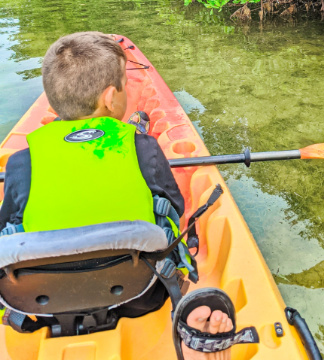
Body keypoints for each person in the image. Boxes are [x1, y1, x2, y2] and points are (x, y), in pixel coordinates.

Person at [0, 31, 187, 316]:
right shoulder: (144, 148)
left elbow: (10, 222)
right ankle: (139, 124)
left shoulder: (21, 163)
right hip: (141, 295)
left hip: (42, 305)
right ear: (111, 98)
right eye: (125, 84)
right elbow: (176, 207)